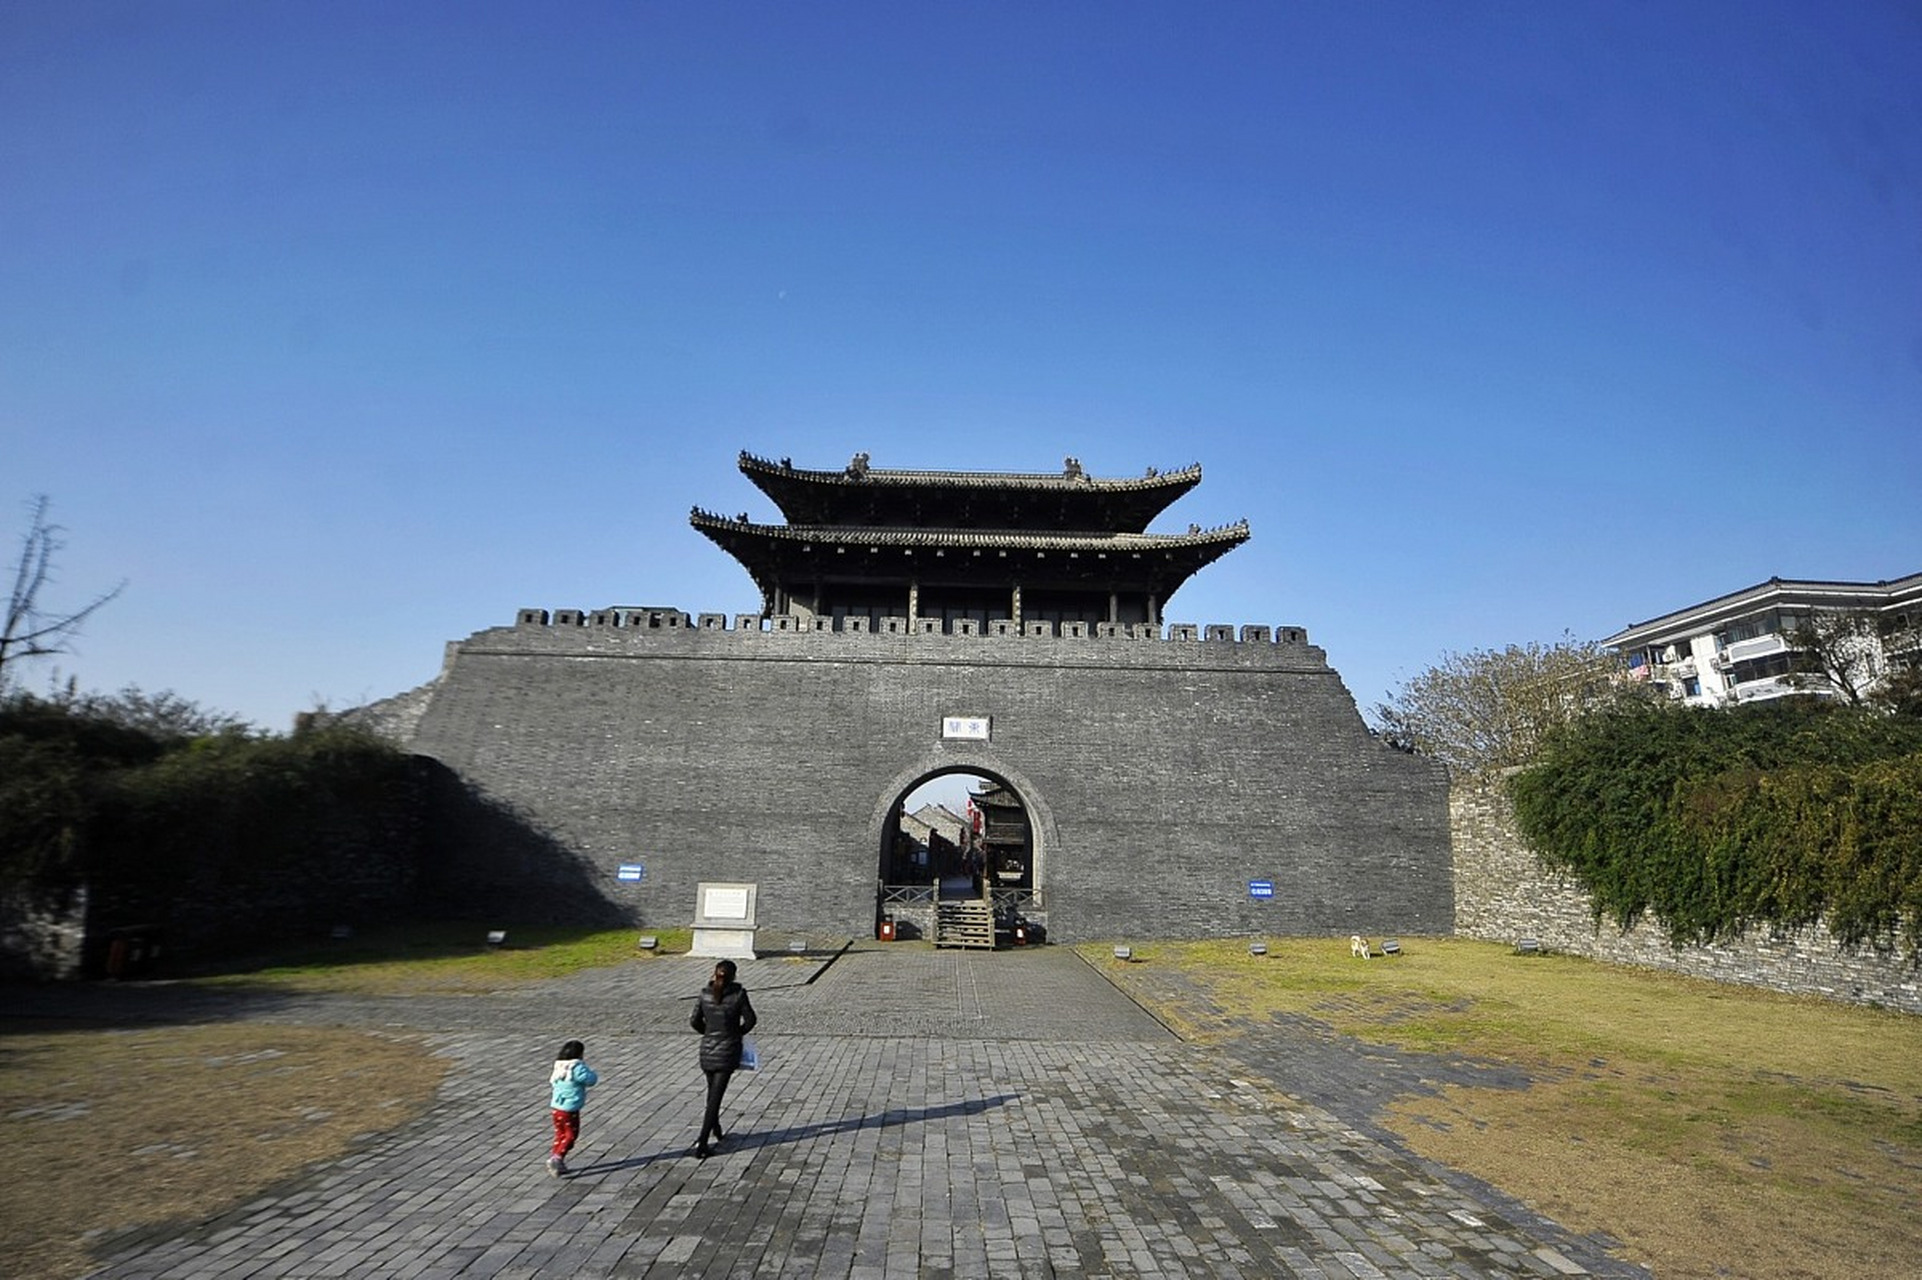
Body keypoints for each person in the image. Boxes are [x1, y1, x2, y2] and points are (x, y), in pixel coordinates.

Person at [688, 959, 756, 1158]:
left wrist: (708, 1032)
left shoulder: (704, 994)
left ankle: (716, 1128)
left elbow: (694, 1021)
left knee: (712, 1092)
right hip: (728, 1050)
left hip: (707, 1049)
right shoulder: (738, 995)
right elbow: (751, 1020)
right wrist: (737, 1033)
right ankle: (702, 1142)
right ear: (733, 975)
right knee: (715, 1099)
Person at [545, 1039, 599, 1177]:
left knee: (560, 1133)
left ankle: (556, 1159)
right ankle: (556, 1158)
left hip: (556, 1107)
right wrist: (591, 1071)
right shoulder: (577, 1067)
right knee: (570, 1135)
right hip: (570, 1109)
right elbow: (590, 1080)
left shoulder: (559, 1066)